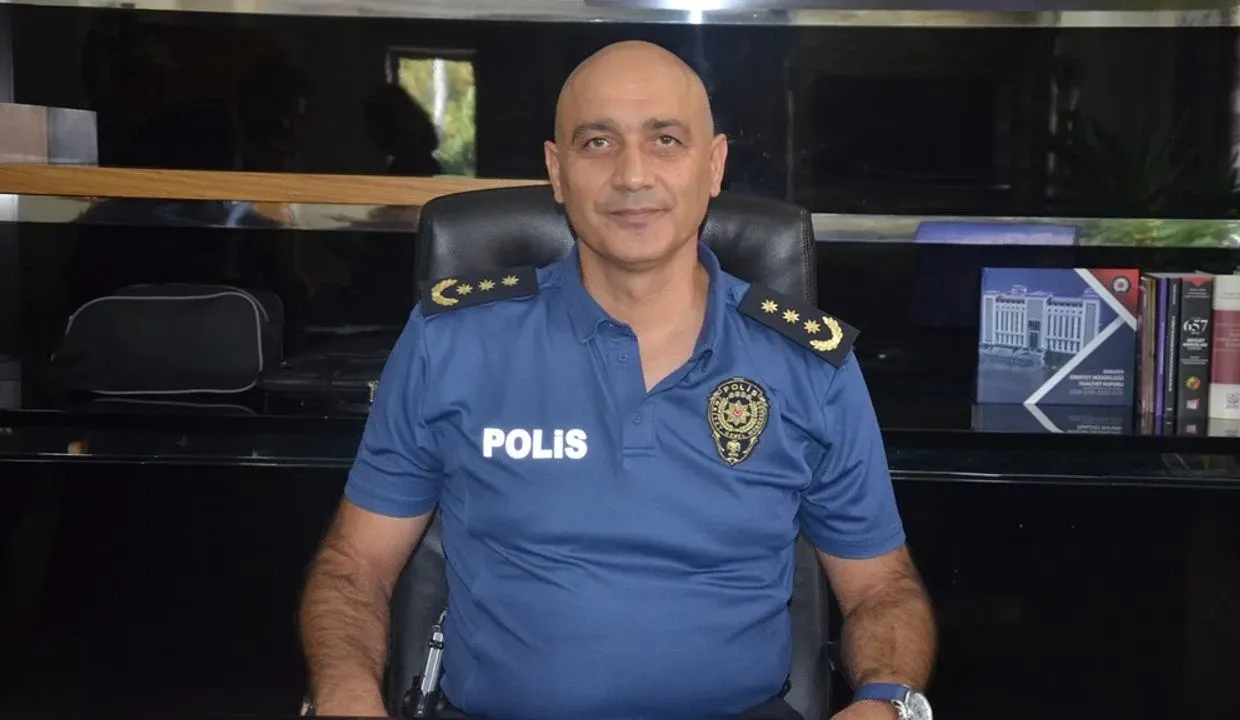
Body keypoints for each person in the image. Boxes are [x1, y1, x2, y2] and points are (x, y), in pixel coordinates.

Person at [299, 40, 936, 720]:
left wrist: (885, 701)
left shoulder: (808, 363)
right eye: (598, 143)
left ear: (714, 165)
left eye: (666, 140)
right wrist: (344, 693)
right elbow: (354, 568)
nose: (633, 175)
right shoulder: (451, 342)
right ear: (558, 171)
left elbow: (882, 590)